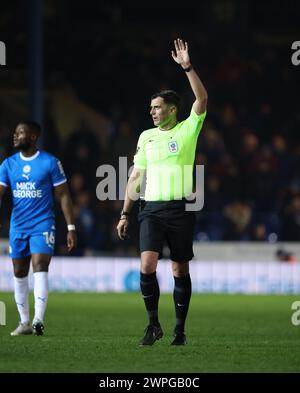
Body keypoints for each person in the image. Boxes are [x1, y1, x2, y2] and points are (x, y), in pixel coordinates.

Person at [117, 39, 207, 346]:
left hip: (179, 209)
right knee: (147, 265)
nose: (152, 112)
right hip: (151, 209)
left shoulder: (187, 129)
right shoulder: (146, 137)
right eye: (151, 108)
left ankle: (180, 329)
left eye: (157, 107)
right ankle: (153, 325)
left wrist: (187, 67)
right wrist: (125, 212)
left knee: (180, 268)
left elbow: (203, 98)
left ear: (172, 109)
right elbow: (136, 175)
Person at [0, 121, 77, 336]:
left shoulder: (50, 162)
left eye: (20, 132)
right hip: (18, 225)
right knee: (19, 270)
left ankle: (38, 319)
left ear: (33, 136)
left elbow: (63, 195)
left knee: (40, 264)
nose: (15, 136)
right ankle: (24, 322)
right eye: (14, 132)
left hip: (42, 223)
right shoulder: (8, 164)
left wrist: (71, 227)